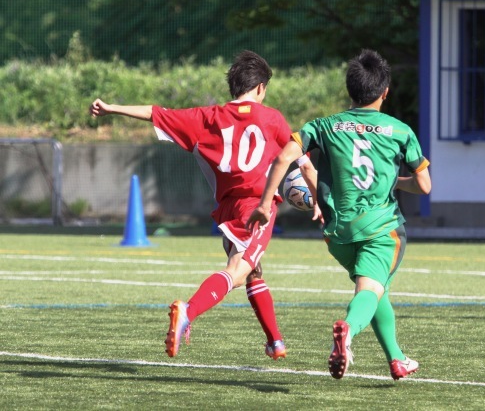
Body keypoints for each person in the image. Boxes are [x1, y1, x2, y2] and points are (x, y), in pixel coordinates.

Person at [89, 50, 317, 359]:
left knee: (253, 271)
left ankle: (275, 341)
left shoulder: (205, 118)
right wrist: (319, 200)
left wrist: (111, 108)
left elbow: (156, 113)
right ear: (261, 87)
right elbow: (304, 165)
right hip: (257, 207)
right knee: (237, 271)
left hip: (227, 208)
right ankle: (188, 311)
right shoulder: (273, 118)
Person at [247, 49, 431, 380]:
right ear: (385, 91)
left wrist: (263, 204)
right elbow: (424, 185)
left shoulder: (324, 125)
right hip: (381, 229)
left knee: (375, 289)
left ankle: (397, 359)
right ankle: (347, 331)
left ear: (350, 90)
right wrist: (397, 182)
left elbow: (282, 159)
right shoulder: (400, 130)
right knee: (369, 291)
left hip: (338, 234)